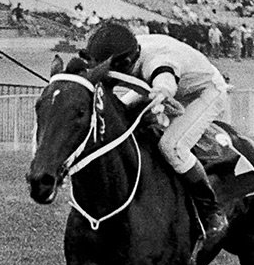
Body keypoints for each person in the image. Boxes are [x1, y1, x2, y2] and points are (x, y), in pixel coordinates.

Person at [82, 22, 229, 239]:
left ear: (125, 62)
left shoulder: (157, 61)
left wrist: (161, 92)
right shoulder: (125, 49)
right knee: (120, 117)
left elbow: (165, 80)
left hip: (205, 91)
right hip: (157, 85)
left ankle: (211, 211)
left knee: (172, 147)